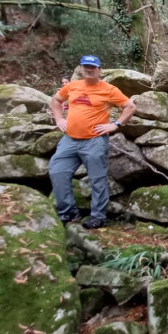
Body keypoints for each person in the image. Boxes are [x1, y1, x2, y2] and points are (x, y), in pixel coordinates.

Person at [49, 55, 137, 229]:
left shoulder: (109, 89)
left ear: (99, 70)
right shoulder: (72, 87)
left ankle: (98, 217)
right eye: (86, 67)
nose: (89, 70)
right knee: (57, 171)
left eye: (93, 67)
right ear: (81, 69)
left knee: (97, 179)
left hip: (94, 141)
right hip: (70, 140)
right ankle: (68, 213)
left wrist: (115, 124)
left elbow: (130, 107)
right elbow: (56, 100)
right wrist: (59, 119)